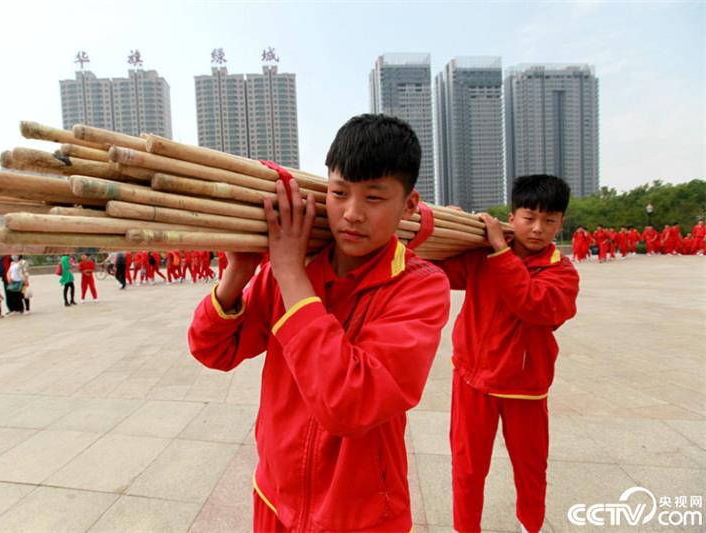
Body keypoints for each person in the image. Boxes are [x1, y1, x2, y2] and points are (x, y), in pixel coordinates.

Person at [188, 114, 450, 532]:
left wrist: (291, 274)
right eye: (339, 193)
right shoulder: (293, 267)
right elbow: (212, 349)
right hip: (274, 497)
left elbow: (349, 404)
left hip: (359, 515)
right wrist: (239, 272)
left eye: (374, 198)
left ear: (410, 205)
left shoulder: (419, 287)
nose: (352, 214)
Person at [433, 174, 579, 533]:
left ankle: (531, 525)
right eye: (529, 217)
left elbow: (533, 305)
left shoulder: (562, 272)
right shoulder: (482, 255)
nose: (538, 229)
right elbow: (436, 271)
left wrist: (500, 252)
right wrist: (446, 227)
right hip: (472, 379)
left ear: (561, 222)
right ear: (512, 216)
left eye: (549, 220)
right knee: (467, 468)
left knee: (531, 469)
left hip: (525, 388)